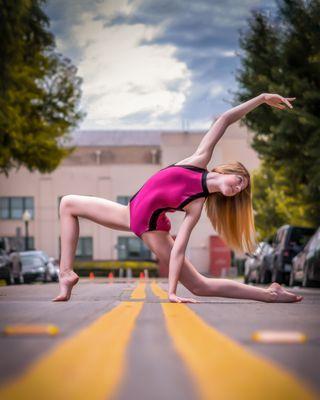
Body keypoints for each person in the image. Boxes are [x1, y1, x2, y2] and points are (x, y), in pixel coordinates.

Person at [52, 92, 302, 304]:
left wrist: (171, 291)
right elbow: (225, 120)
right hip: (128, 213)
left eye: (241, 190)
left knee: (200, 286)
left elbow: (179, 248)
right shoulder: (198, 160)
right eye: (239, 181)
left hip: (150, 228)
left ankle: (270, 294)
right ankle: (66, 274)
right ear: (224, 171)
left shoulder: (196, 204)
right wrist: (261, 98)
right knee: (68, 203)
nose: (238, 189)